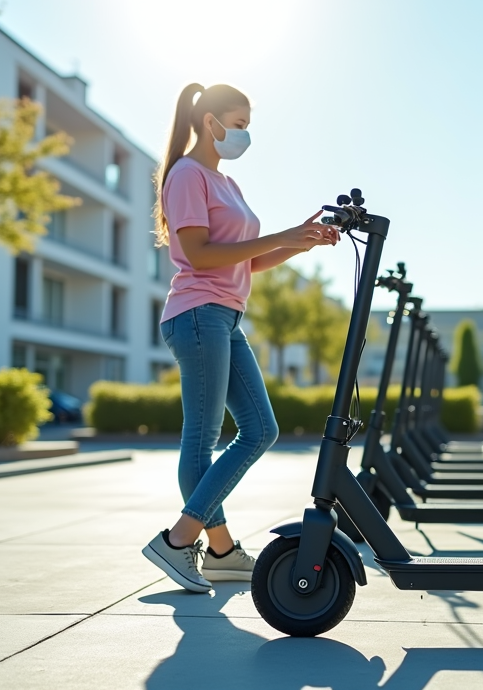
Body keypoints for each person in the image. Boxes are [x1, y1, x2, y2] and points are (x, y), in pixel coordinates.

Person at [142, 83, 339, 592]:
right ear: (210, 122)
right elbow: (201, 255)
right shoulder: (187, 175)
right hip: (197, 314)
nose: (243, 135)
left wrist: (299, 242)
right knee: (203, 440)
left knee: (259, 429)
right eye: (239, 123)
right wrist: (280, 237)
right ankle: (180, 542)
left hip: (225, 317)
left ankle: (223, 552)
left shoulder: (225, 182)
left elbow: (245, 260)